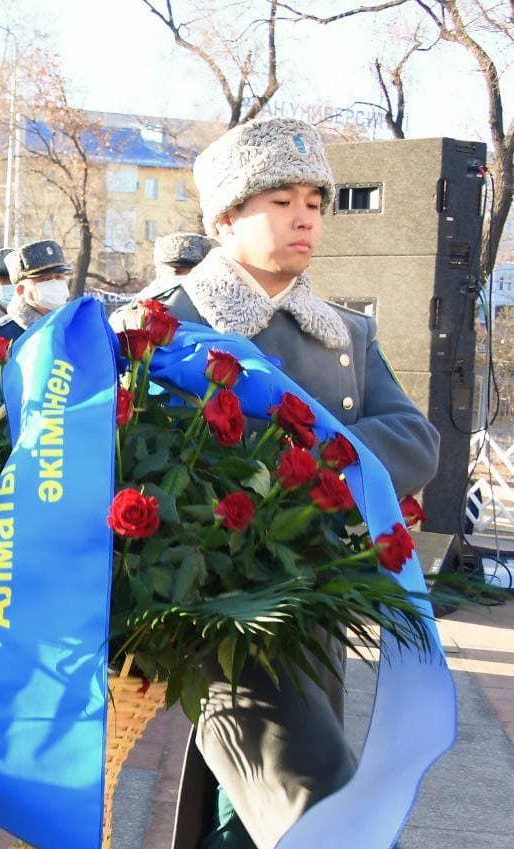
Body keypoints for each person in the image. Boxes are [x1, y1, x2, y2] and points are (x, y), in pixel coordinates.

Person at [117, 117, 440, 849]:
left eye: (314, 202)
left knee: (246, 815)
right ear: (226, 216)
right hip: (218, 611)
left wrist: (308, 467)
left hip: (321, 597)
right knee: (321, 806)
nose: (304, 218)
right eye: (280, 200)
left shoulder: (344, 332)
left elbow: (415, 436)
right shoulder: (163, 323)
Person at [0, 239, 73, 340]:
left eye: (58, 277)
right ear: (21, 290)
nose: (54, 283)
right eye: (44, 279)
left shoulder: (77, 326)